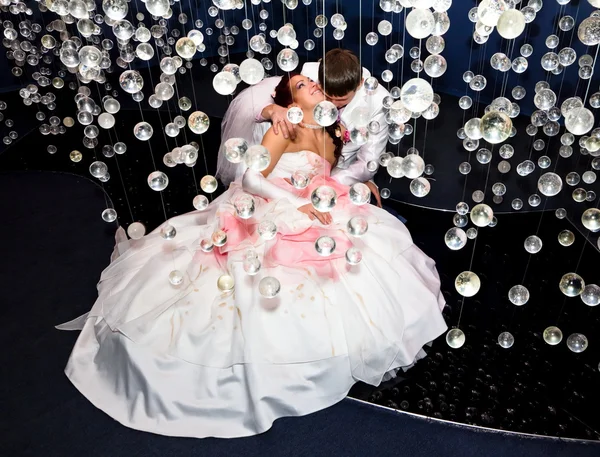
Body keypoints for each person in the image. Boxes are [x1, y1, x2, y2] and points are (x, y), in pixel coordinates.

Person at [58, 73, 446, 440]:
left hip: (322, 199)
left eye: (310, 81)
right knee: (254, 276)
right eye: (300, 84)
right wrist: (298, 204)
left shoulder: (331, 127)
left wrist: (350, 184)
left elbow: (333, 171)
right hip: (276, 203)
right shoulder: (286, 127)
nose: (310, 83)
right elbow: (251, 178)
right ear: (289, 100)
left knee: (366, 253)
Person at [217, 49, 389, 207]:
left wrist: (337, 184)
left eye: (341, 100)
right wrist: (272, 109)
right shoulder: (311, 77)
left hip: (337, 178)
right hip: (277, 188)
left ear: (358, 84)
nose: (332, 105)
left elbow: (368, 162)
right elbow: (263, 93)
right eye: (327, 95)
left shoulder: (378, 102)